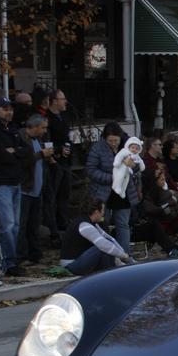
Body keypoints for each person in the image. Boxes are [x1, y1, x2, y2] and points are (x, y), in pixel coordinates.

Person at [0, 94, 28, 276]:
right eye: (4, 108)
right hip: (1, 183)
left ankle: (11, 258)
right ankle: (8, 262)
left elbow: (26, 151)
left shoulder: (14, 129)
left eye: (10, 108)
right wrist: (15, 153)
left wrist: (15, 151)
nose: (9, 112)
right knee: (7, 224)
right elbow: (3, 156)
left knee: (15, 224)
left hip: (15, 181)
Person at [86, 122, 141, 253]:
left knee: (123, 224)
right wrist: (112, 177)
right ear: (105, 138)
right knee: (102, 224)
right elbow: (91, 170)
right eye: (110, 140)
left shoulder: (129, 147)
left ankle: (124, 254)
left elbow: (138, 166)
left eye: (116, 140)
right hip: (103, 192)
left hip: (124, 191)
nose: (113, 143)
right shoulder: (97, 148)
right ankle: (105, 255)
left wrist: (133, 165)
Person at [60, 198, 135, 276]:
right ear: (96, 212)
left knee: (106, 248)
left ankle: (115, 272)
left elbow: (110, 239)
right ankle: (112, 274)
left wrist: (125, 257)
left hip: (80, 261)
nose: (103, 214)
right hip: (71, 265)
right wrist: (124, 256)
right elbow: (104, 245)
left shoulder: (92, 224)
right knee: (102, 248)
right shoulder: (84, 225)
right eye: (102, 211)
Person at [16, 115, 55, 263]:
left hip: (37, 189)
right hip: (25, 189)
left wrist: (47, 157)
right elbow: (22, 161)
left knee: (34, 224)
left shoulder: (37, 140)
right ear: (35, 126)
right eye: (43, 127)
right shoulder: (21, 139)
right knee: (22, 224)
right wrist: (40, 154)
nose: (45, 131)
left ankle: (35, 254)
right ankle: (21, 255)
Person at [43, 88, 73, 238]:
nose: (65, 102)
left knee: (65, 194)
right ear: (54, 101)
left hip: (65, 161)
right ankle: (52, 228)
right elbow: (46, 141)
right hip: (53, 163)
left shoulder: (64, 117)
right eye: (62, 99)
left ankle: (64, 222)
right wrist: (56, 152)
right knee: (52, 195)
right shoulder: (47, 119)